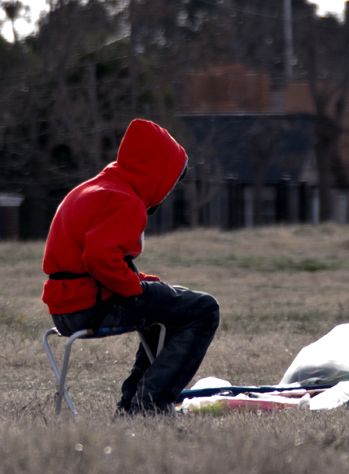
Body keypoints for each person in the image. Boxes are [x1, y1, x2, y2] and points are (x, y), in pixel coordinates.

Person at [41, 118, 220, 416]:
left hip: (65, 307)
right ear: (157, 172)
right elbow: (99, 258)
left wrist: (143, 285)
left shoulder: (94, 188)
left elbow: (100, 259)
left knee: (163, 305)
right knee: (203, 309)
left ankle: (133, 403)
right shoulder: (125, 200)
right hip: (88, 306)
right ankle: (149, 403)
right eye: (171, 180)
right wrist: (137, 289)